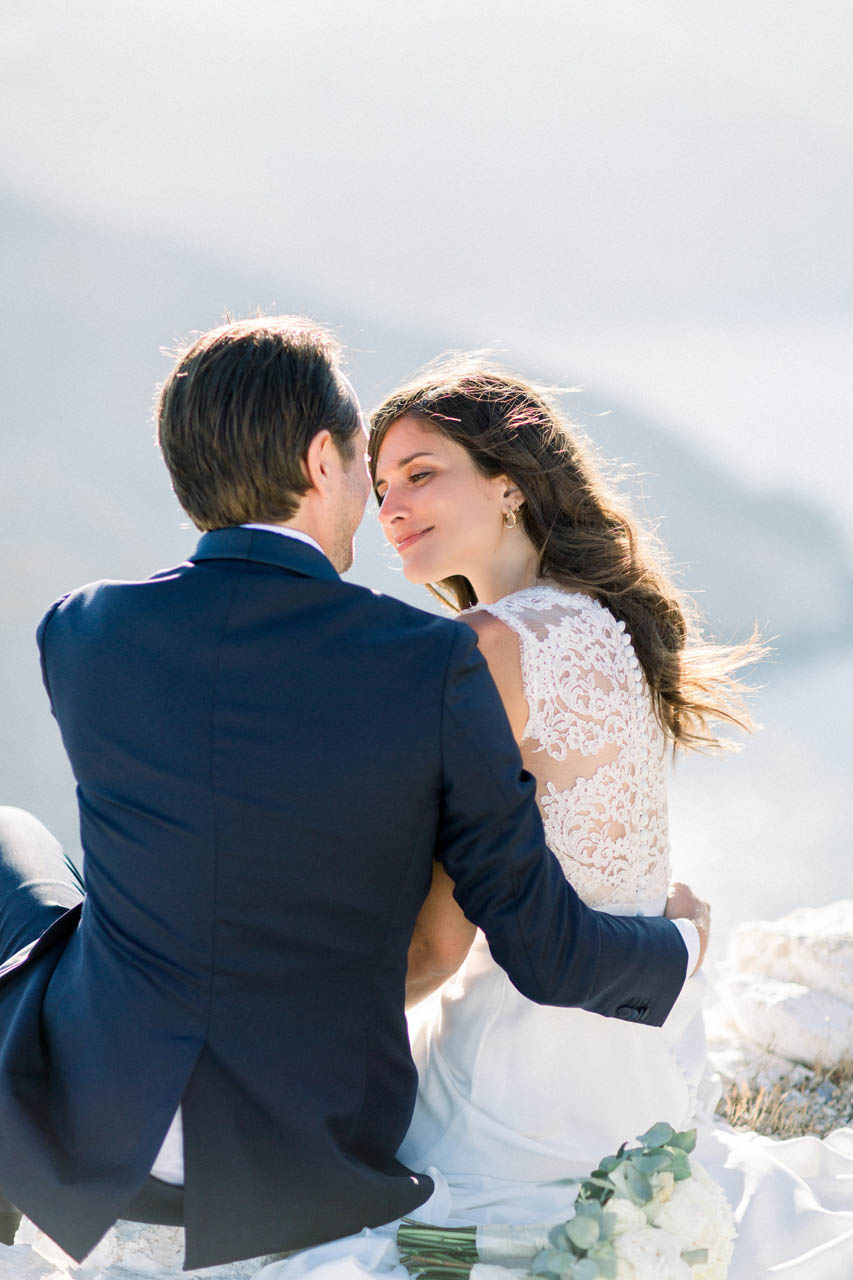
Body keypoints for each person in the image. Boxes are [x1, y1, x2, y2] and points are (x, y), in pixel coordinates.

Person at [0, 319, 707, 1275]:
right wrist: (682, 943)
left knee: (14, 842)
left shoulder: (78, 631)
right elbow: (521, 943)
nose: (381, 510)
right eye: (374, 478)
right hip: (308, 1138)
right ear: (322, 458)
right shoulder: (432, 662)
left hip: (103, 1109)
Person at [359, 357, 853, 1279]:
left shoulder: (484, 649)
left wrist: (288, 1028)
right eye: (380, 487)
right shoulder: (597, 623)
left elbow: (436, 942)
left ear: (509, 484)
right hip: (633, 1059)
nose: (390, 506)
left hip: (520, 1084)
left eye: (421, 474)